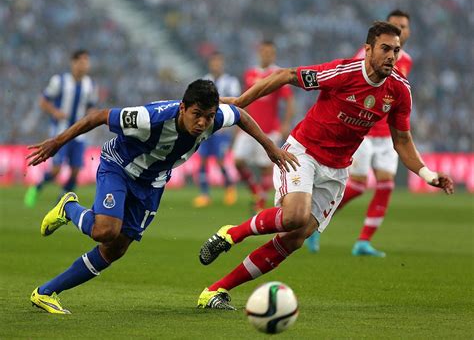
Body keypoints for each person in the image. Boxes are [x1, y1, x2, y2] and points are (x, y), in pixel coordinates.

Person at [196, 21, 454, 310]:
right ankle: (231, 233)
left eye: (396, 50)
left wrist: (428, 174)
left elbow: (403, 141)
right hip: (303, 152)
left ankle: (214, 291)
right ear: (368, 50)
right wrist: (241, 102)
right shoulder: (344, 72)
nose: (392, 56)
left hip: (337, 169)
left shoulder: (399, 90)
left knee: (295, 239)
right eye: (385, 49)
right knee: (294, 215)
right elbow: (286, 75)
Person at [26, 79, 298, 314]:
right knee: (105, 231)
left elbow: (240, 114)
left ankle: (46, 292)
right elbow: (98, 116)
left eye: (209, 115)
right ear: (183, 108)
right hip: (119, 167)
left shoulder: (214, 119)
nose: (203, 122)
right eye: (197, 114)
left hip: (152, 183)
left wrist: (270, 148)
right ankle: (69, 207)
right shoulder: (149, 118)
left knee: (115, 249)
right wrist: (57, 142)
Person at [306, 10, 413, 256]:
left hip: (387, 134)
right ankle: (315, 220)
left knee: (386, 184)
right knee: (359, 185)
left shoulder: (406, 60)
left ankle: (363, 241)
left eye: (404, 26)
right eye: (397, 25)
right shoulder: (367, 55)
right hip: (362, 131)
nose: (401, 30)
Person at [24, 49, 98, 207]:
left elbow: (91, 107)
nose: (85, 65)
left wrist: (91, 118)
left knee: (76, 171)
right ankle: (36, 188)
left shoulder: (90, 85)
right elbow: (43, 101)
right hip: (60, 132)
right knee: (56, 170)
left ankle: (62, 200)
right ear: (74, 62)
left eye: (87, 61)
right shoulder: (60, 81)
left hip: (79, 134)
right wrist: (55, 112)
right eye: (82, 61)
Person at [233, 40, 295, 212]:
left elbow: (289, 100)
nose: (267, 55)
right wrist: (238, 122)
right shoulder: (250, 73)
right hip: (249, 125)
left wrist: (285, 124)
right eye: (264, 52)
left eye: (270, 52)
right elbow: (244, 99)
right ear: (259, 52)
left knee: (266, 167)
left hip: (270, 128)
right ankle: (256, 191)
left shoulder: (278, 74)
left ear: (273, 54)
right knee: (238, 161)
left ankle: (260, 202)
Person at [193, 52, 241, 208]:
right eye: (214, 62)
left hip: (222, 128)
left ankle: (229, 188)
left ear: (222, 64)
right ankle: (204, 194)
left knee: (220, 161)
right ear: (210, 64)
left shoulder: (231, 82)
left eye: (218, 62)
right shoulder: (204, 81)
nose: (216, 65)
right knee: (203, 160)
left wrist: (230, 125)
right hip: (206, 128)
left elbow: (236, 103)